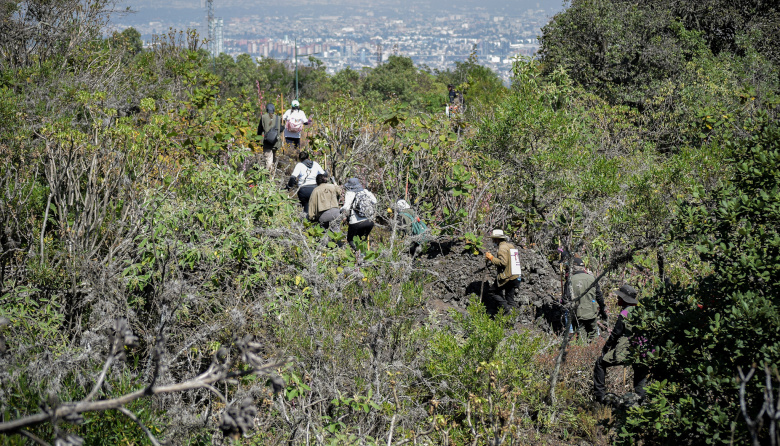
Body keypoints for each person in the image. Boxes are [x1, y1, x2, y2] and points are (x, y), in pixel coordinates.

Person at [593, 284, 649, 406]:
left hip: (626, 349)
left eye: (619, 297)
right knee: (640, 374)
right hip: (643, 350)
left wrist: (606, 348)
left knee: (600, 363)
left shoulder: (625, 312)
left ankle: (600, 398)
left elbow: (616, 334)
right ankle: (641, 402)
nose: (617, 299)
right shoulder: (642, 310)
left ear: (624, 299)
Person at [566, 257, 606, 342]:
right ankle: (596, 352)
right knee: (594, 336)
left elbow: (566, 298)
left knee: (581, 338)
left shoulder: (570, 280)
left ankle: (583, 353)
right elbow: (599, 296)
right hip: (591, 312)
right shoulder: (592, 278)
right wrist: (602, 309)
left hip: (577, 314)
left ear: (573, 268)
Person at [484, 229, 521, 316]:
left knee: (492, 292)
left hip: (507, 277)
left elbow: (503, 263)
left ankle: (507, 309)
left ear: (497, 239)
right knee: (509, 298)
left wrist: (491, 258)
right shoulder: (510, 246)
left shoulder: (502, 248)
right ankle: (512, 318)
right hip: (515, 275)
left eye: (493, 239)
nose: (493, 241)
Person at [341, 178, 376, 250]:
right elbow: (375, 201)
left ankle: (357, 256)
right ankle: (363, 256)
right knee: (363, 239)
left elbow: (346, 207)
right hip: (369, 221)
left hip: (356, 222)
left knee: (350, 240)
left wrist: (340, 210)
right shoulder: (366, 191)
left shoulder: (350, 193)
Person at [257, 103, 282, 172]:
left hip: (267, 141)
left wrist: (257, 140)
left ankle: (268, 176)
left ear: (267, 109)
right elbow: (280, 130)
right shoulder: (278, 117)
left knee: (268, 159)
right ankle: (272, 175)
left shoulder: (263, 117)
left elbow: (260, 129)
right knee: (273, 159)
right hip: (276, 142)